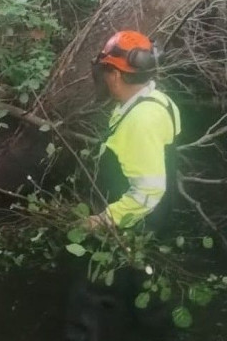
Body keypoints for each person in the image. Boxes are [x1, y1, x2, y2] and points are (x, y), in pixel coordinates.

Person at [64, 29, 181, 340]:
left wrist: (104, 220)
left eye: (105, 71)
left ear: (115, 74)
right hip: (154, 221)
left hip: (132, 222)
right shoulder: (160, 102)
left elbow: (148, 191)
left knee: (92, 292)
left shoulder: (140, 121)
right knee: (144, 291)